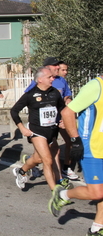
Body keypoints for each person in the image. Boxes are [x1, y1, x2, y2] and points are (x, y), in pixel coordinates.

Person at [49, 75, 103, 236]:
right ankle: (62, 194)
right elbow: (67, 112)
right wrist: (75, 140)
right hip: (91, 147)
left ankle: (97, 228)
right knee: (97, 193)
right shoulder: (96, 86)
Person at [11, 67, 66, 190]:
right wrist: (22, 128)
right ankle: (55, 191)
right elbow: (14, 111)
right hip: (37, 131)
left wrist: (62, 121)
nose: (53, 79)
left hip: (52, 131)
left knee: (38, 158)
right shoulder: (30, 95)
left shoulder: (55, 93)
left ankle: (21, 171)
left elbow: (62, 109)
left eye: (53, 77)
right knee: (47, 160)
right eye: (49, 77)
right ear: (40, 79)